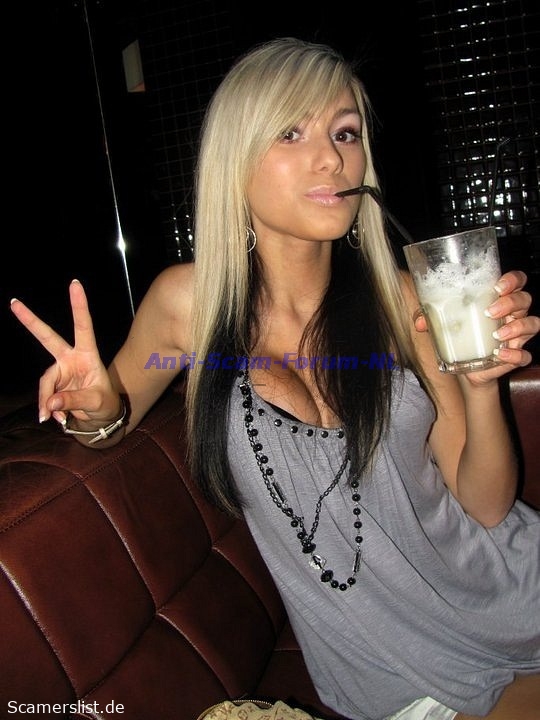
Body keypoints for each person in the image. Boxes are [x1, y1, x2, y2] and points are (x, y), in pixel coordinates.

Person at [10, 37, 540, 720]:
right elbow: (109, 421)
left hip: (511, 596)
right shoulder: (189, 307)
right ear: (236, 159)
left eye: (345, 133)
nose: (332, 158)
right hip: (387, 673)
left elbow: (487, 506)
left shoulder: (406, 299)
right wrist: (92, 406)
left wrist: (481, 385)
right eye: (292, 132)